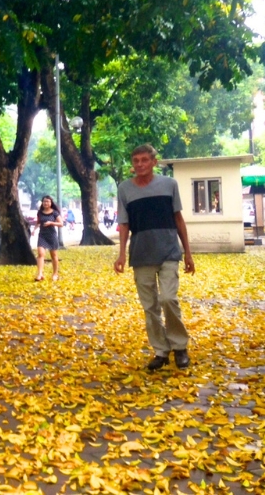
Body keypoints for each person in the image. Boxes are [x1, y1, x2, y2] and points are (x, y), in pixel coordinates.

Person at [113, 144, 194, 371]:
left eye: (144, 160)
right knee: (150, 307)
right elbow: (124, 224)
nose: (140, 164)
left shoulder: (169, 185)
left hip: (169, 251)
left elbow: (178, 219)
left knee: (168, 298)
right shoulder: (125, 189)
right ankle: (161, 351)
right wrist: (121, 254)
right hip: (141, 254)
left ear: (154, 162)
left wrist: (188, 253)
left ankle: (180, 346)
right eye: (136, 160)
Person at [31, 195, 63, 281]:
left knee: (54, 255)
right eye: (44, 201)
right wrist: (34, 230)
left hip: (52, 236)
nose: (46, 203)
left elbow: (61, 224)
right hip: (42, 235)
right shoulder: (40, 212)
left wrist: (51, 223)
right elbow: (38, 222)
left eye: (48, 201)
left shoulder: (55, 213)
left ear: (51, 203)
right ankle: (40, 274)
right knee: (40, 254)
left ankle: (55, 274)